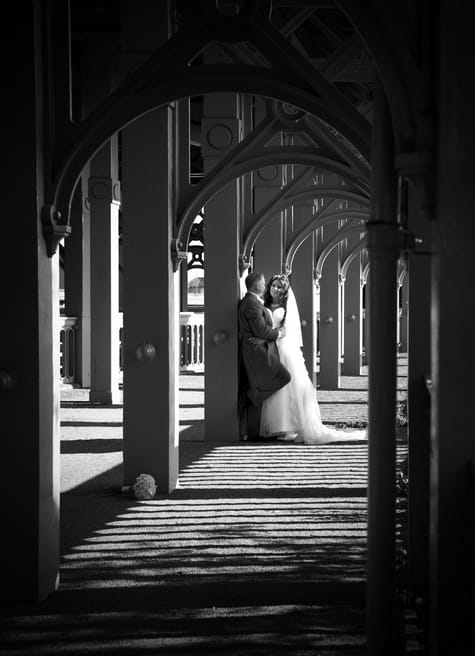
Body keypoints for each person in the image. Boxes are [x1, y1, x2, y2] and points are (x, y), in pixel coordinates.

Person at [251, 274, 367, 444]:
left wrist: (264, 339)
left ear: (284, 292)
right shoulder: (264, 304)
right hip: (270, 349)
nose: (275, 288)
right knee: (274, 388)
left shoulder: (286, 307)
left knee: (288, 387)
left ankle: (292, 425)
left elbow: (285, 331)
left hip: (284, 349)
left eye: (279, 287)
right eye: (273, 285)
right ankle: (276, 426)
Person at [238, 271, 291, 441]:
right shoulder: (252, 304)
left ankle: (254, 432)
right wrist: (279, 333)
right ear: (257, 286)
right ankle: (251, 396)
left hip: (261, 349)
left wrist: (266, 335)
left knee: (260, 385)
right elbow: (261, 330)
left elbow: (260, 331)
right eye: (263, 283)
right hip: (258, 353)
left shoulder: (253, 301)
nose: (265, 285)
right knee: (284, 376)